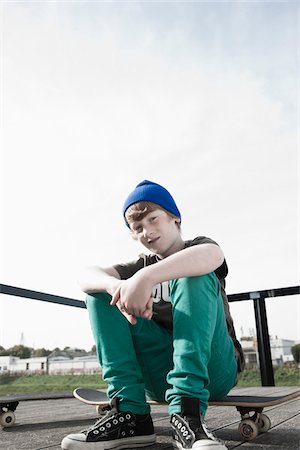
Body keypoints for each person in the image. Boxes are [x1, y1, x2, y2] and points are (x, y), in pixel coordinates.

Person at [61, 180, 244, 450]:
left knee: (192, 272)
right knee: (99, 291)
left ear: (175, 218)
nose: (146, 232)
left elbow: (212, 255)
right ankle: (131, 415)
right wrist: (117, 286)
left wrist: (146, 277)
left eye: (153, 219)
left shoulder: (199, 246)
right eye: (138, 228)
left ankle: (187, 414)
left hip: (213, 369)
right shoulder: (137, 265)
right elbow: (84, 276)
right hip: (159, 374)